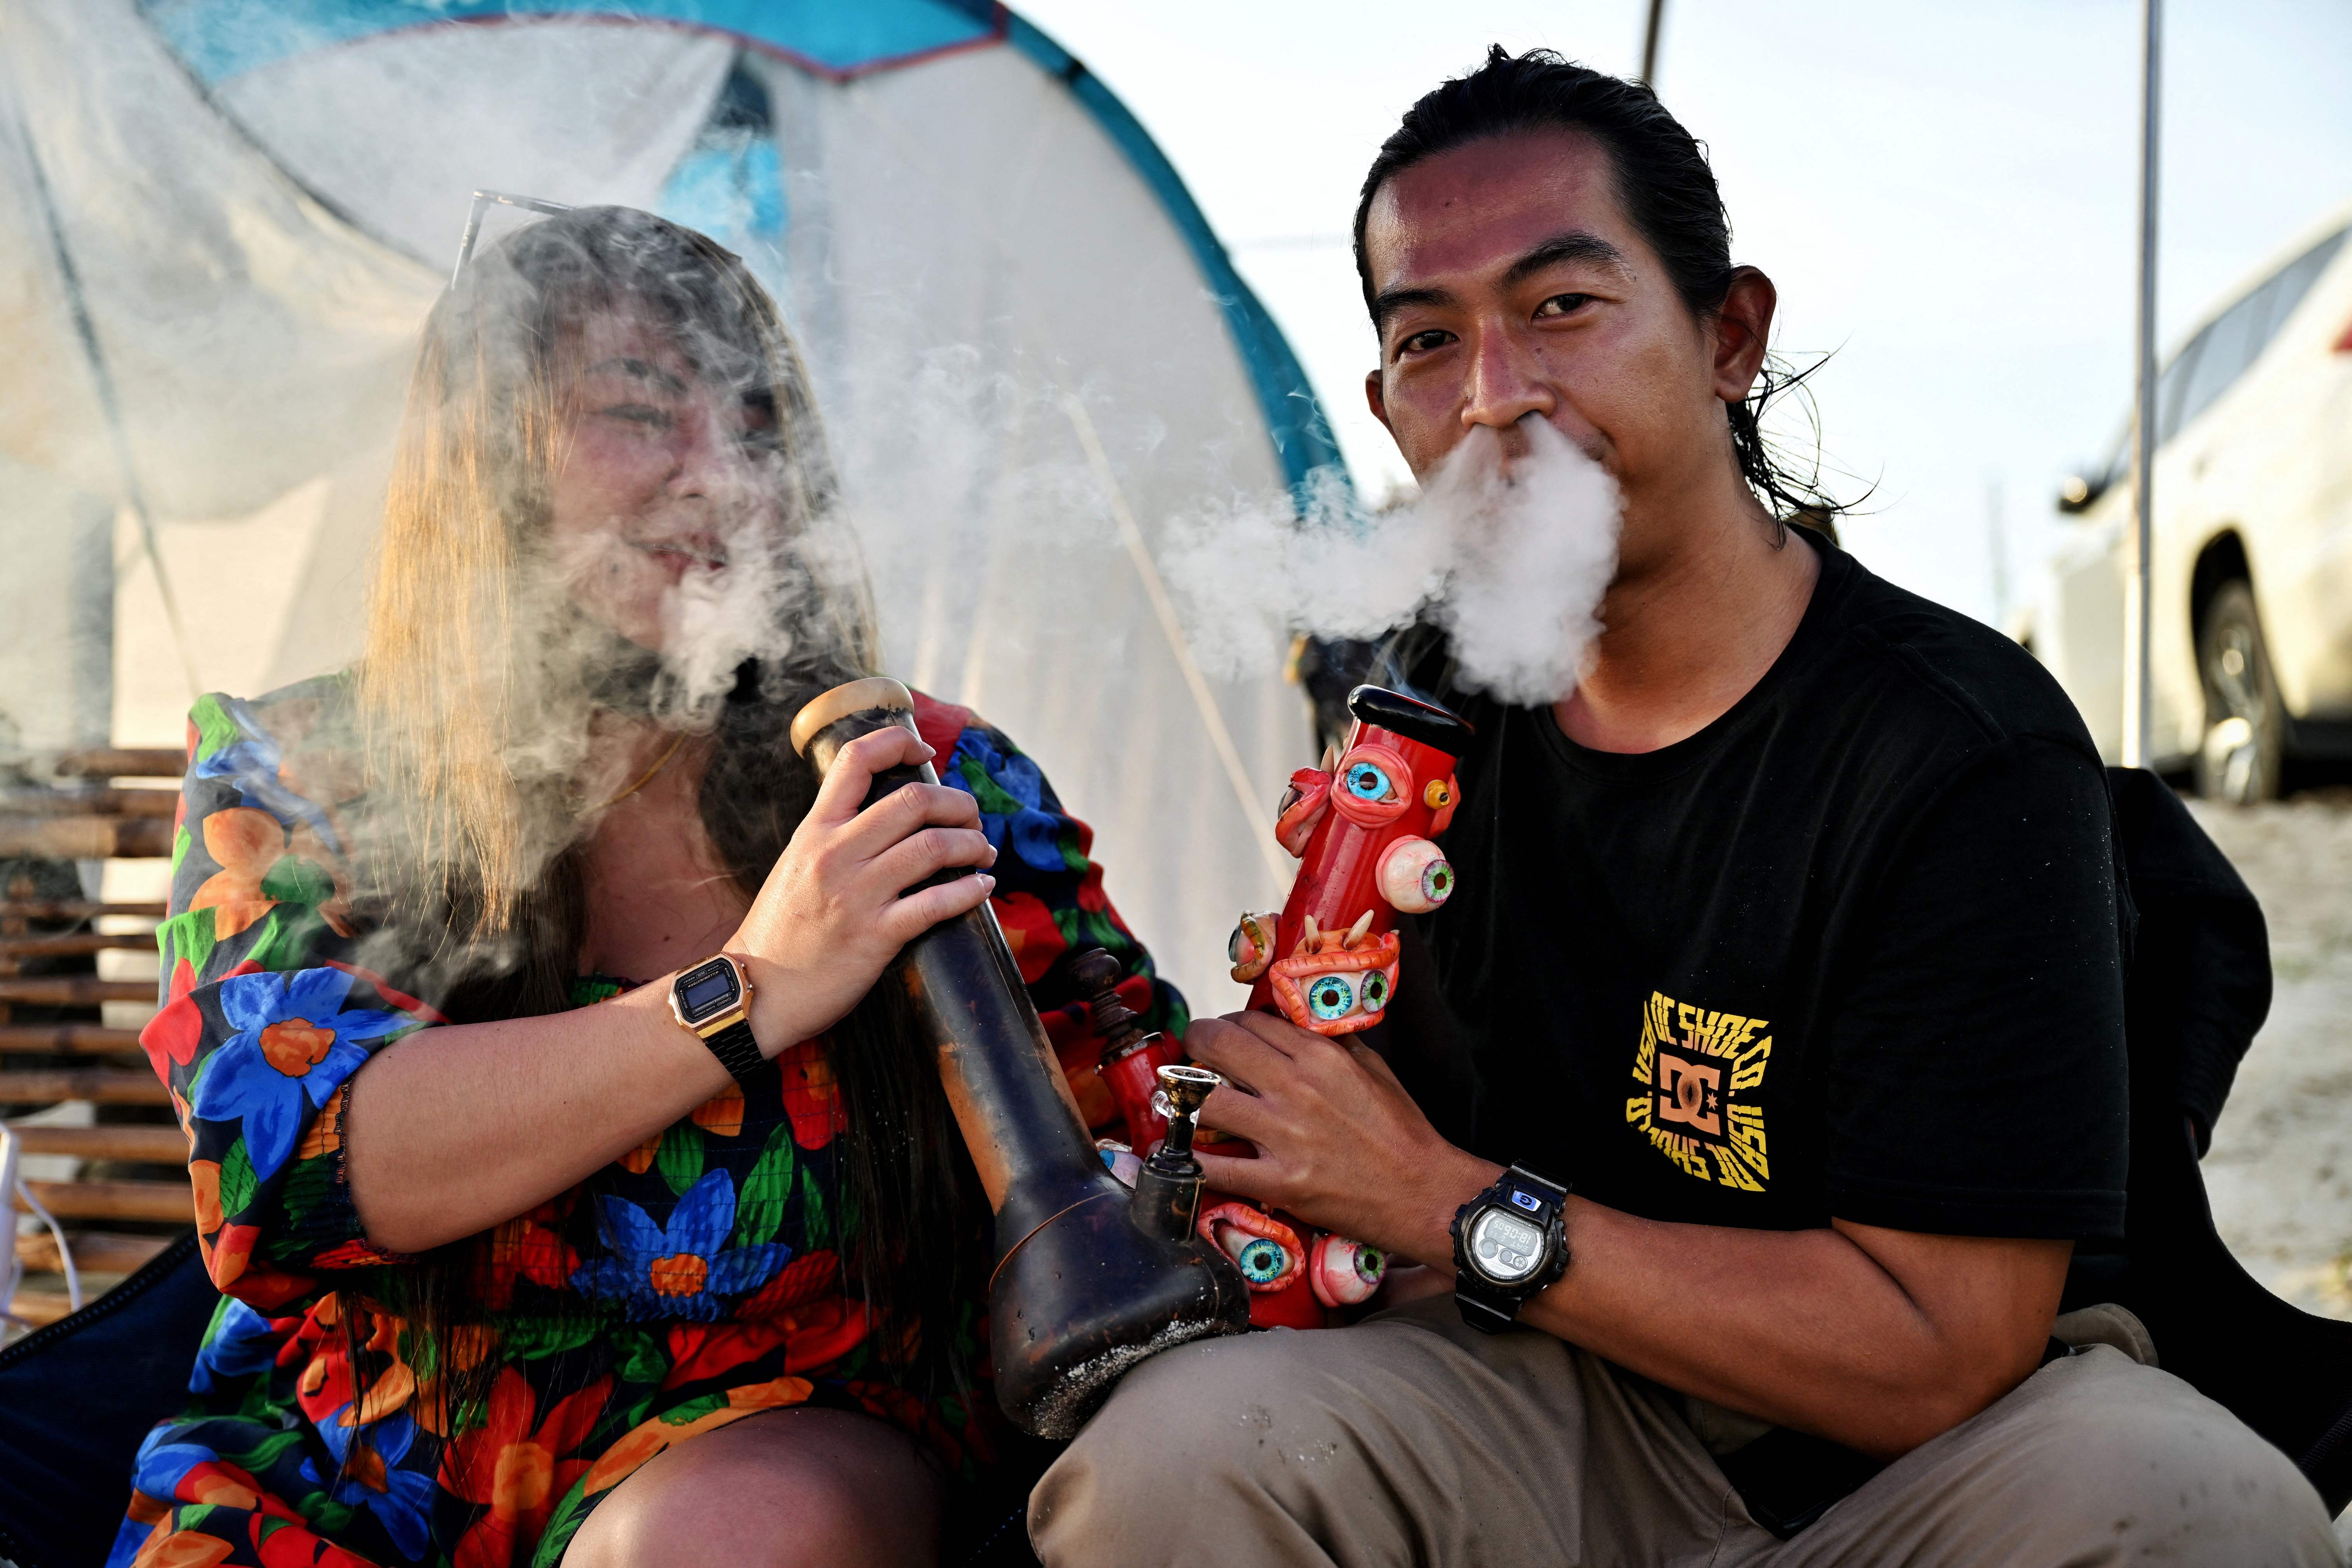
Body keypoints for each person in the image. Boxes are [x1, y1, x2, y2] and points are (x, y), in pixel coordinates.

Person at [1029, 49, 2341, 1567]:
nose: (1497, 395)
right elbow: (1351, 1181)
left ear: (1729, 336)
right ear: (1386, 404)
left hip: (1934, 1451)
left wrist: (1447, 1202)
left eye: (1561, 308)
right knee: (1171, 1461)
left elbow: (1944, 1344)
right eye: (1428, 342)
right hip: (1537, 1401)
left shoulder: (1953, 748)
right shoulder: (1423, 713)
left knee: (2203, 1509)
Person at [111, 206, 1185, 1568]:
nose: (724, 479)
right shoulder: (302, 771)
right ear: (486, 466)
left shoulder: (920, 770)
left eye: (757, 426)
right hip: (355, 1472)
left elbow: (1142, 1128)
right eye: (641, 415)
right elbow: (285, 1168)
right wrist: (759, 985)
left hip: (790, 1444)